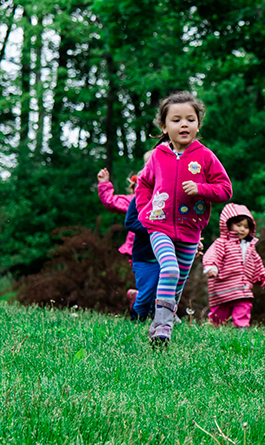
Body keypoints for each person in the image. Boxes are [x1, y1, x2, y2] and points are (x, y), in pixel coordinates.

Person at [134, 91, 232, 345]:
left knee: (177, 282)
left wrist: (201, 189)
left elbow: (225, 189)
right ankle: (161, 327)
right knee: (169, 268)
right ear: (164, 126)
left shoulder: (205, 156)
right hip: (160, 227)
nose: (184, 124)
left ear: (198, 124)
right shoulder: (157, 156)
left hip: (190, 232)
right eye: (176, 120)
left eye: (190, 119)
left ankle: (167, 313)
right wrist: (145, 212)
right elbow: (143, 184)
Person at [203, 204, 265, 327]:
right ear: (228, 224)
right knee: (219, 314)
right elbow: (213, 255)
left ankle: (241, 329)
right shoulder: (222, 243)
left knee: (244, 305)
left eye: (246, 227)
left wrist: (264, 279)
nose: (242, 230)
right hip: (222, 287)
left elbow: (257, 264)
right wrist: (211, 268)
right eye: (238, 225)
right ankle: (212, 327)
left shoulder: (249, 247)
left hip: (242, 287)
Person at [96, 167, 139, 305]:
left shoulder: (168, 200)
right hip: (139, 250)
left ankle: (158, 309)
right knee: (149, 282)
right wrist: (104, 184)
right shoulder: (136, 201)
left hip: (163, 246)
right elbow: (112, 202)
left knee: (168, 278)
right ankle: (143, 304)